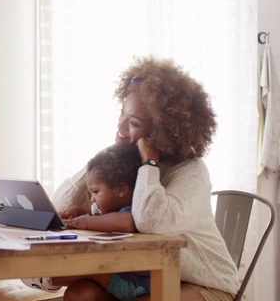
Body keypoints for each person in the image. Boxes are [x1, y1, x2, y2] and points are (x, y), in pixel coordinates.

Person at [50, 56, 240, 301]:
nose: (120, 126)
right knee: (80, 294)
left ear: (161, 132)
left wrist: (150, 163)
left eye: (133, 123)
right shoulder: (127, 162)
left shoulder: (190, 171)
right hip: (142, 279)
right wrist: (104, 158)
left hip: (204, 284)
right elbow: (59, 207)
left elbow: (151, 221)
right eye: (122, 114)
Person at [24, 142, 150, 301]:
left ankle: (50, 278)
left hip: (136, 285)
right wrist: (83, 213)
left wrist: (84, 222)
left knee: (92, 269)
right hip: (125, 281)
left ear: (121, 190)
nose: (92, 199)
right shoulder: (115, 212)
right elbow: (108, 221)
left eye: (96, 192)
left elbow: (126, 222)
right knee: (80, 286)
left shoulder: (135, 208)